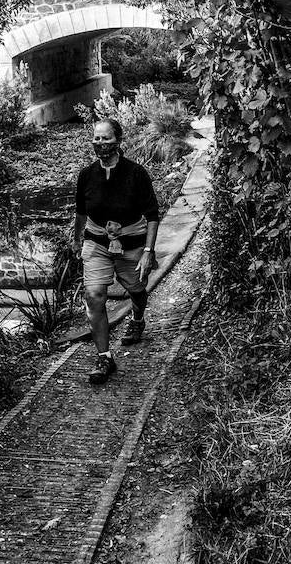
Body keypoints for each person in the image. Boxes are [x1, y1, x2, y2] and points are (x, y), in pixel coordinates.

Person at [73, 118, 160, 384]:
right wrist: (77, 240)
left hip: (132, 243)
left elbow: (153, 215)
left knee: (136, 289)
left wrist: (148, 251)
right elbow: (81, 212)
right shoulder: (87, 175)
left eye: (106, 138)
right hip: (97, 243)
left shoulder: (136, 174)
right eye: (96, 139)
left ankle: (137, 317)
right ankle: (105, 356)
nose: (100, 144)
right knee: (94, 296)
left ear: (118, 141)